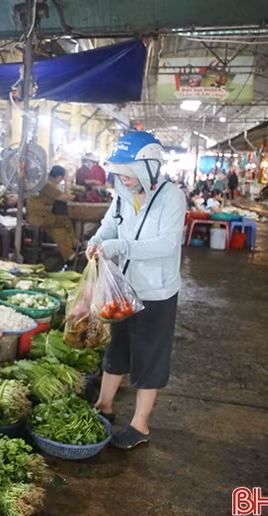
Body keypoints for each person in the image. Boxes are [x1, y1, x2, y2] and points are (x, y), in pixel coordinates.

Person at [86, 131, 186, 450]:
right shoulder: (123, 193)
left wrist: (120, 246)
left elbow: (168, 244)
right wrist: (98, 241)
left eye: (128, 173)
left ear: (149, 168)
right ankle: (105, 405)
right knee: (116, 350)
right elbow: (110, 223)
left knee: (149, 357)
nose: (123, 179)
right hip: (123, 286)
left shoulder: (172, 197)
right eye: (119, 172)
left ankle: (140, 424)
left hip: (156, 292)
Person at [26, 165, 76, 260]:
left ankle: (70, 254)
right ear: (58, 177)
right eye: (62, 178)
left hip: (37, 217)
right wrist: (67, 182)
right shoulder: (49, 186)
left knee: (59, 230)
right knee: (66, 221)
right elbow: (68, 197)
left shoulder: (45, 182)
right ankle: (74, 245)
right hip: (40, 218)